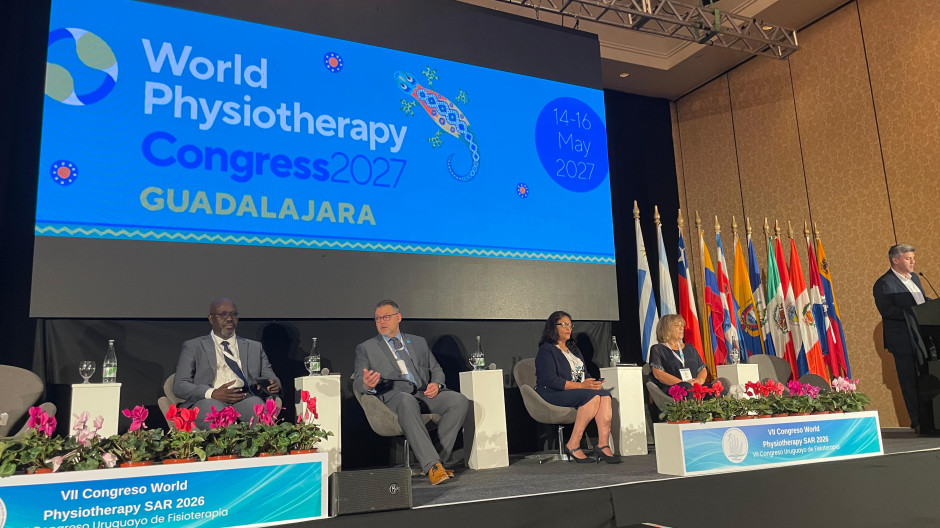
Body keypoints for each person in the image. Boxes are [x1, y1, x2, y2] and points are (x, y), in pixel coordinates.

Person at [352, 300, 469, 485]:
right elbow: (358, 380)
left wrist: (437, 384)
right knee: (406, 400)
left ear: (398, 318)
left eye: (386, 317)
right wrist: (367, 384)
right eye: (377, 318)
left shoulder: (418, 342)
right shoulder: (366, 348)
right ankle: (432, 466)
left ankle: (436, 462)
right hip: (394, 396)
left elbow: (436, 369)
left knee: (458, 401)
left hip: (423, 393)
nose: (381, 321)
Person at [173, 298, 281, 429]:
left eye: (233, 314)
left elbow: (272, 378)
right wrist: (212, 393)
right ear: (211, 319)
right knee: (217, 416)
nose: (229, 318)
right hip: (209, 400)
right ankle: (232, 450)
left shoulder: (254, 347)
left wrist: (273, 385)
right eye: (223, 314)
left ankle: (262, 449)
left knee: (259, 412)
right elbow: (180, 385)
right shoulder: (194, 346)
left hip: (245, 397)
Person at [534, 310, 620, 464]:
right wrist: (582, 386)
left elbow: (583, 374)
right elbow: (551, 380)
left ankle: (603, 444)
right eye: (564, 325)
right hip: (551, 392)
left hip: (575, 390)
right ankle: (573, 444)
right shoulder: (546, 350)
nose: (569, 328)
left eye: (570, 325)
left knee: (605, 395)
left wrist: (592, 383)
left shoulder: (574, 349)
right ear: (553, 327)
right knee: (592, 396)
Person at [874, 244, 933, 435]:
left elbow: (921, 301)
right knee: (909, 382)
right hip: (903, 341)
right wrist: (913, 313)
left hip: (923, 338)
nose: (913, 261)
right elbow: (887, 310)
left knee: (927, 379)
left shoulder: (915, 278)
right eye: (908, 258)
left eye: (913, 257)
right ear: (895, 260)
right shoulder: (884, 283)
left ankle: (932, 419)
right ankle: (917, 421)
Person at [648, 314, 709, 394]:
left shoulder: (690, 348)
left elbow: (702, 369)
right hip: (674, 390)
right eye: (677, 325)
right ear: (666, 329)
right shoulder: (658, 349)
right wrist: (684, 384)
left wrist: (699, 381)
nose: (682, 328)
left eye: (682, 325)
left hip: (695, 387)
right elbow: (659, 374)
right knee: (688, 390)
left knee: (718, 390)